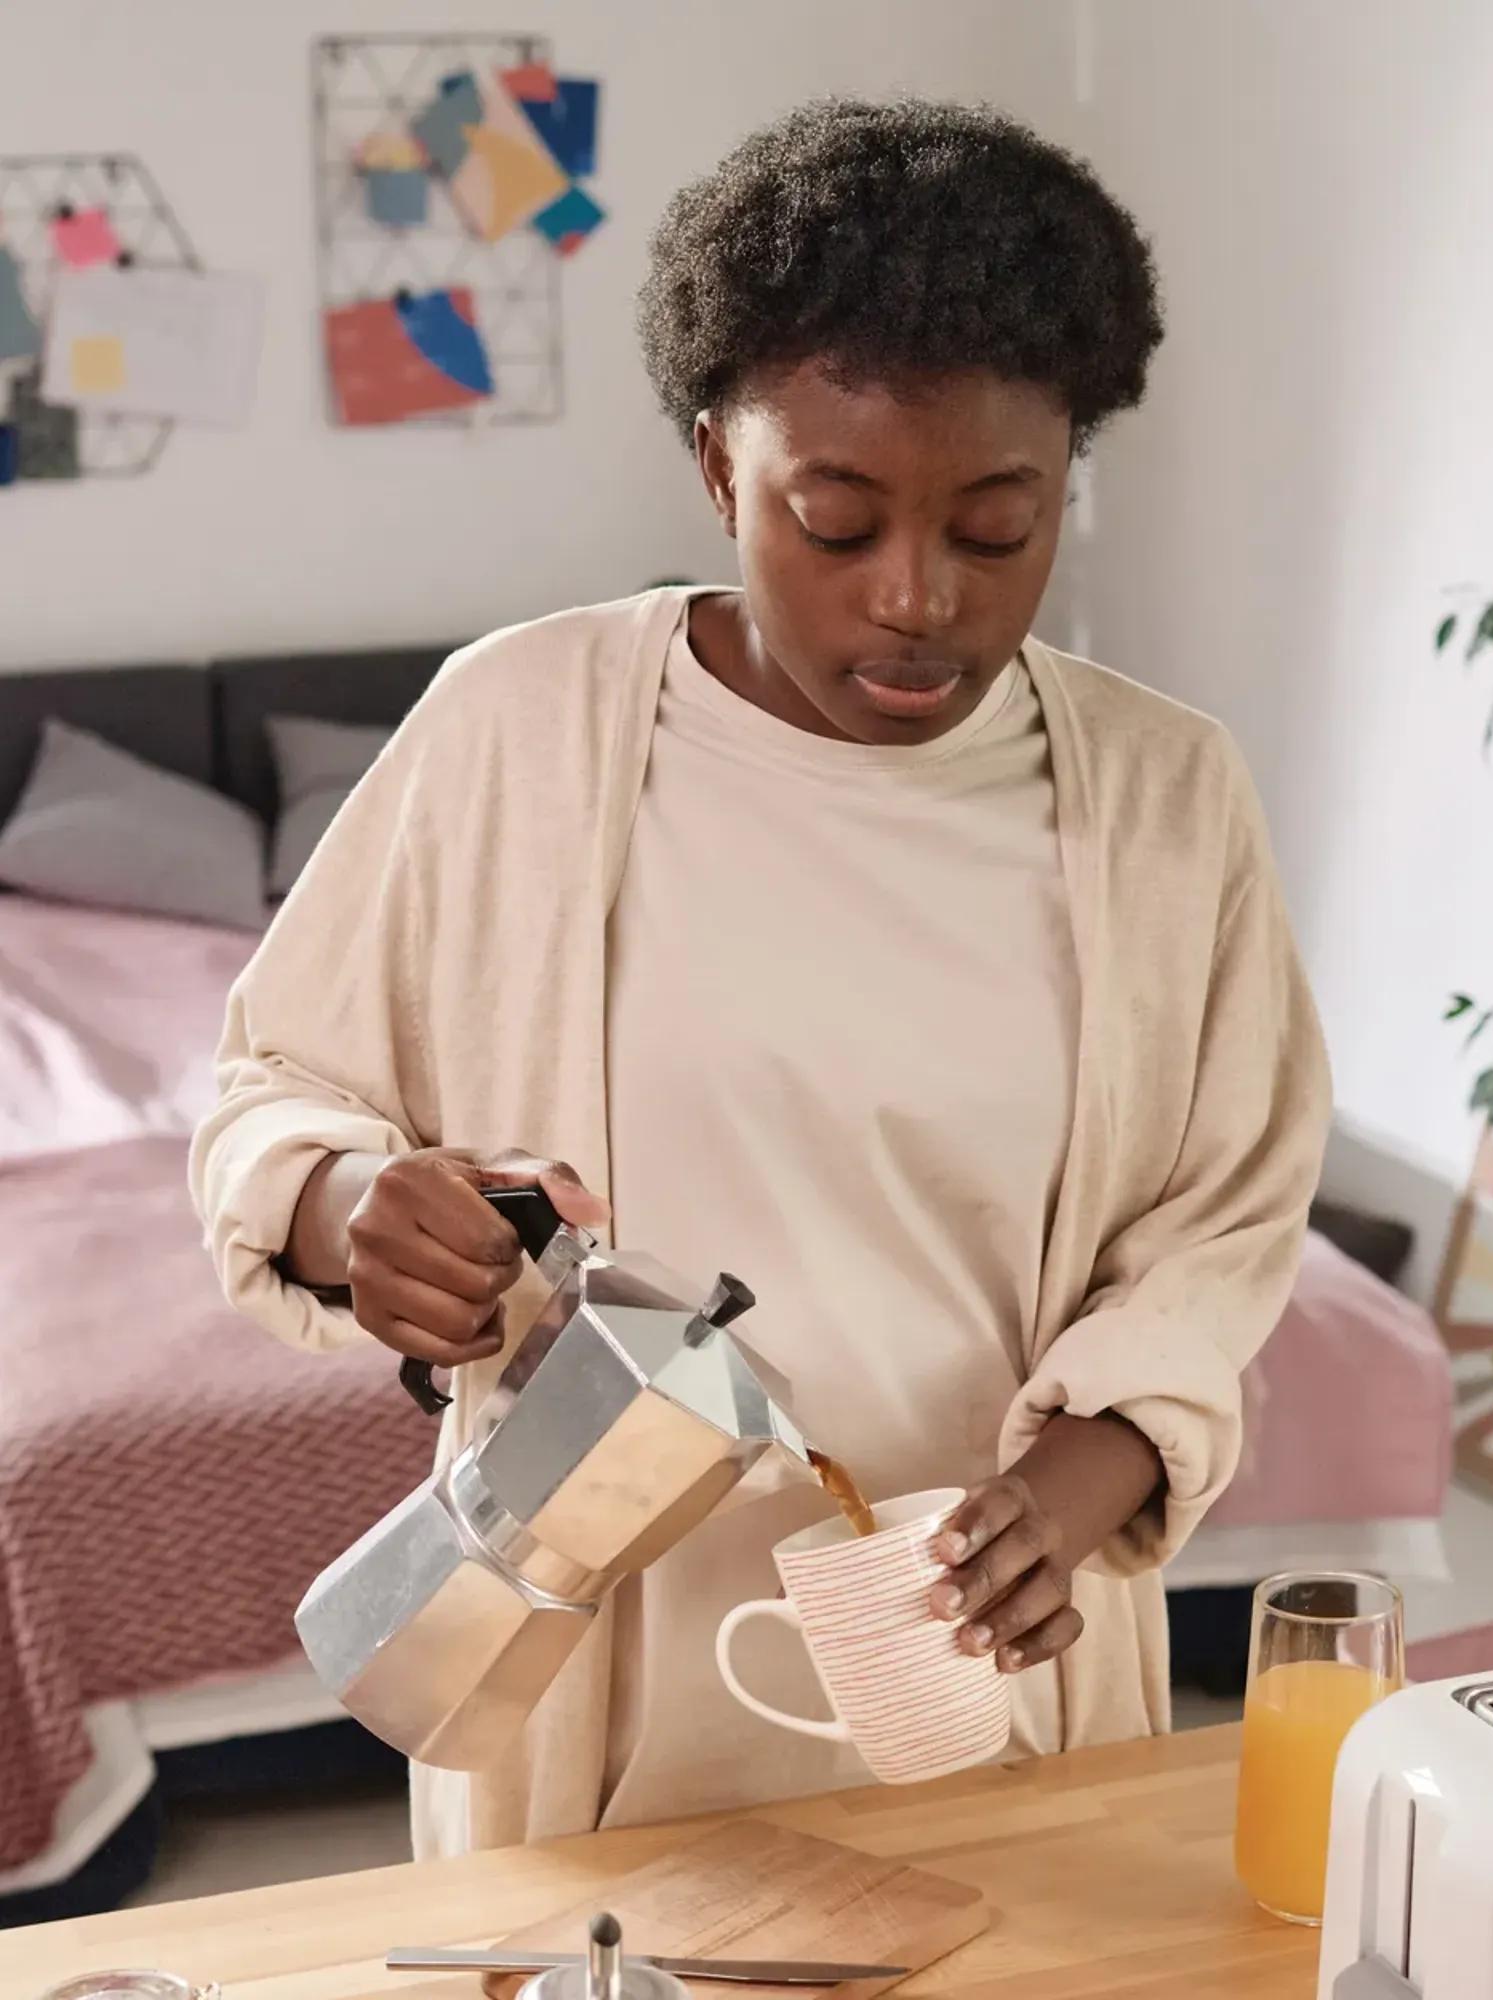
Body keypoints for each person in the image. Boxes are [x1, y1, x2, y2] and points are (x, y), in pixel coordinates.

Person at [191, 97, 1330, 1858]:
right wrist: (352, 1209)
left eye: (997, 530)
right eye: (838, 518)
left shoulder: (1167, 800)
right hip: (587, 1694)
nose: (918, 600)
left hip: (992, 1670)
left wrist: (1081, 1476)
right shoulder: (520, 730)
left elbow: (1225, 1221)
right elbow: (273, 1086)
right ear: (722, 470)